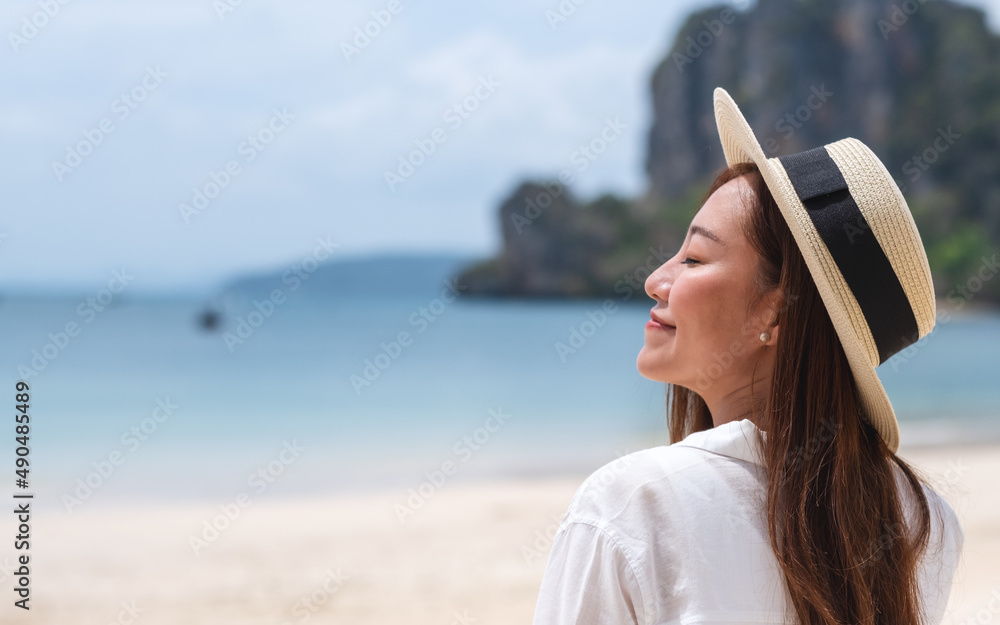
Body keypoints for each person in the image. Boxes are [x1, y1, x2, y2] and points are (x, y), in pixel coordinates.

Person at [530, 87, 965, 625]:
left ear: (777, 314)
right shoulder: (923, 523)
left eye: (693, 257)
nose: (655, 280)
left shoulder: (632, 505)